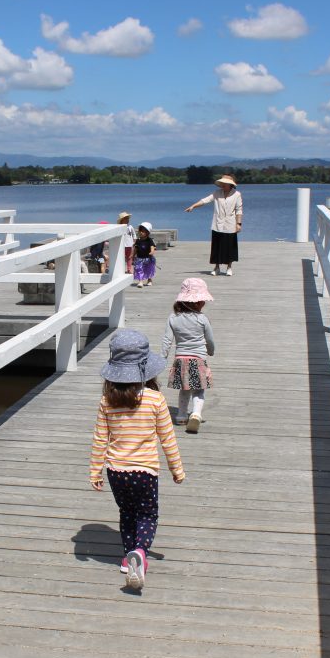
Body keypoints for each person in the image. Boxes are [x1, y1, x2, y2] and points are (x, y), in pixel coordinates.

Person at [89, 329, 185, 590]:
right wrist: (177, 469)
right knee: (147, 514)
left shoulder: (107, 401)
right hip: (145, 471)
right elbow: (167, 439)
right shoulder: (155, 400)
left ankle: (127, 556)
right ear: (147, 370)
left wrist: (95, 471)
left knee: (127, 512)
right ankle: (140, 552)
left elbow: (100, 439)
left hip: (116, 471)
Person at [162, 278, 215, 434]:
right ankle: (196, 414)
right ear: (197, 302)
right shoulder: (202, 319)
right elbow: (210, 340)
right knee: (199, 390)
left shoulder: (173, 318)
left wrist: (163, 357)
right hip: (198, 359)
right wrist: (210, 351)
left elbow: (167, 340)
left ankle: (181, 415)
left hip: (180, 359)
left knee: (185, 389)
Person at [184, 174, 242, 276]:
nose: (223, 185)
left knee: (229, 247)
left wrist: (238, 224)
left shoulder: (237, 194)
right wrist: (193, 206)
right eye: (222, 183)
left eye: (225, 183)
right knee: (217, 247)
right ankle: (216, 267)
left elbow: (239, 210)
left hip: (230, 224)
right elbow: (205, 200)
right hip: (217, 224)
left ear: (230, 185)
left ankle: (229, 267)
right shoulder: (217, 193)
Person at [132, 221, 157, 287]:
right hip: (139, 258)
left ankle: (149, 280)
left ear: (147, 232)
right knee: (139, 269)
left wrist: (152, 252)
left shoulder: (149, 240)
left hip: (148, 258)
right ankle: (140, 281)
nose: (141, 232)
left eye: (143, 231)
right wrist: (133, 255)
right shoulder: (138, 240)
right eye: (140, 231)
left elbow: (152, 246)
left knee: (149, 269)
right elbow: (135, 249)